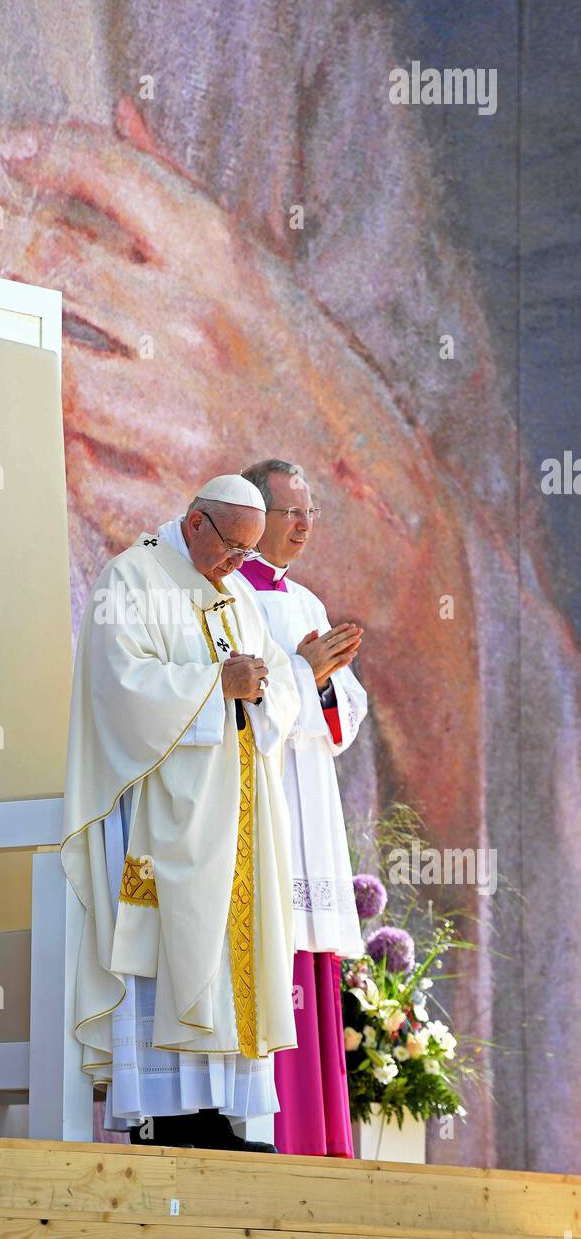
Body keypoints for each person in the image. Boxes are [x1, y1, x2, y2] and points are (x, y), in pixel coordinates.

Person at [61, 474, 300, 1152]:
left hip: (237, 812)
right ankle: (168, 1113)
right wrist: (214, 685)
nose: (238, 564)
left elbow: (277, 682)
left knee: (229, 960)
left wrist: (260, 692)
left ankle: (220, 1110)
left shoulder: (240, 595)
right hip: (164, 814)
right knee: (174, 951)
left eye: (249, 553)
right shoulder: (130, 580)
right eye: (232, 547)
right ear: (195, 523)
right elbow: (119, 687)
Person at [238, 458, 367, 1157]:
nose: (305, 525)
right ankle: (283, 1138)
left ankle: (319, 1139)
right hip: (263, 793)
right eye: (293, 512)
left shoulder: (309, 603)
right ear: (254, 518)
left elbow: (346, 715)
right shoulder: (230, 596)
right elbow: (248, 697)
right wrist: (303, 675)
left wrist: (324, 685)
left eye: (312, 513)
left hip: (309, 797)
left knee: (309, 952)